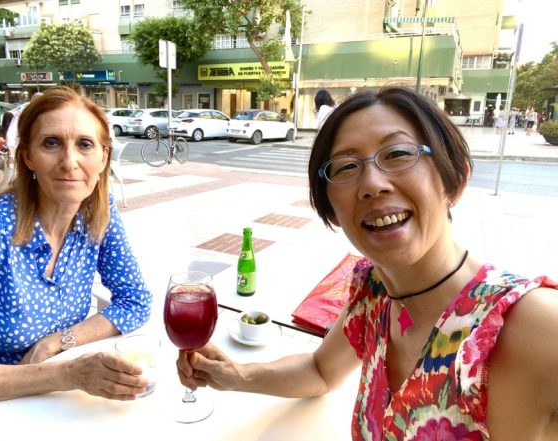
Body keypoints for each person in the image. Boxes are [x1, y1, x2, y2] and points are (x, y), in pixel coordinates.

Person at [176, 87, 558, 439]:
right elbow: (321, 371)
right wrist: (236, 376)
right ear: (333, 211)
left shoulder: (533, 326)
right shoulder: (374, 294)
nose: (373, 184)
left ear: (454, 181)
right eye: (346, 167)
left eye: (398, 154)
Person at [0, 87, 154, 418]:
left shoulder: (98, 213)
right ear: (28, 156)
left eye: (85, 144)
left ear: (103, 157)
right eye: (51, 143)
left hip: (52, 400)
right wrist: (68, 374)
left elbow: (136, 301)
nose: (69, 162)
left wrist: (58, 341)